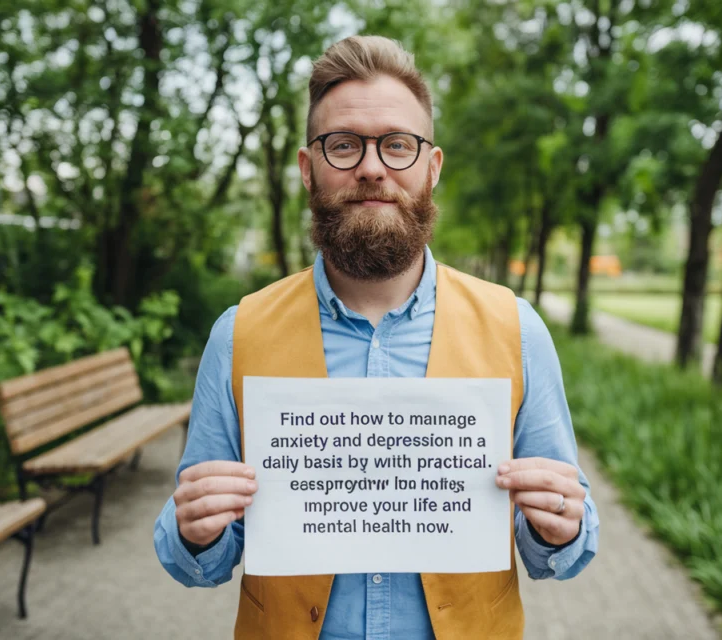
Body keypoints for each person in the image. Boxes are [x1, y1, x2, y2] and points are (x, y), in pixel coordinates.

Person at [154, 35, 599, 639]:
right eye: (344, 146)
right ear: (309, 170)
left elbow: (560, 549)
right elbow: (199, 561)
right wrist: (192, 528)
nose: (371, 167)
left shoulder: (516, 329)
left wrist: (563, 525)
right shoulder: (239, 334)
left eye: (397, 145)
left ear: (431, 168)